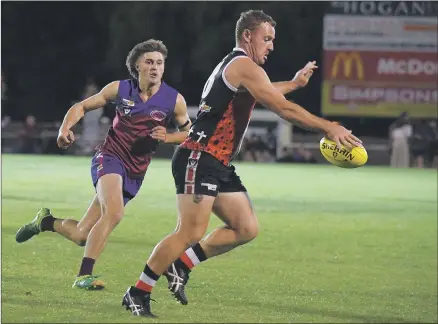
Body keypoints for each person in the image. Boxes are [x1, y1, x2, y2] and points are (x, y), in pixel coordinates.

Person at [121, 10, 361, 318]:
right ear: (247, 36)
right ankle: (137, 293)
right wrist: (329, 126)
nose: (271, 46)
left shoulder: (240, 67)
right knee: (189, 232)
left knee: (245, 228)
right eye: (267, 38)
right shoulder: (242, 64)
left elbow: (266, 91)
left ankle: (181, 266)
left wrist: (294, 83)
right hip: (199, 155)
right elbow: (281, 108)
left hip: (216, 161)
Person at [15, 39, 192, 290]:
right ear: (137, 66)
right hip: (109, 158)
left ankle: (44, 222)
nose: (155, 67)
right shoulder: (120, 89)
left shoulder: (174, 100)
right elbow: (82, 106)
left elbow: (190, 133)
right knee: (115, 213)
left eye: (160, 63)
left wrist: (169, 137)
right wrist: (65, 128)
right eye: (149, 62)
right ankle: (83, 276)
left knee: (82, 235)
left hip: (135, 172)